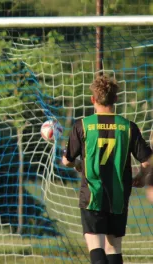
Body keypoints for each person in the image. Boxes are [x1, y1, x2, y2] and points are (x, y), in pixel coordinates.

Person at [62, 75, 151, 264]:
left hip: (92, 195)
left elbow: (67, 160)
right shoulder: (128, 127)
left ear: (93, 99)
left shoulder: (82, 126)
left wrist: (77, 164)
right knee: (114, 248)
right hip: (118, 195)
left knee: (96, 247)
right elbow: (147, 160)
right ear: (116, 99)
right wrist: (142, 177)